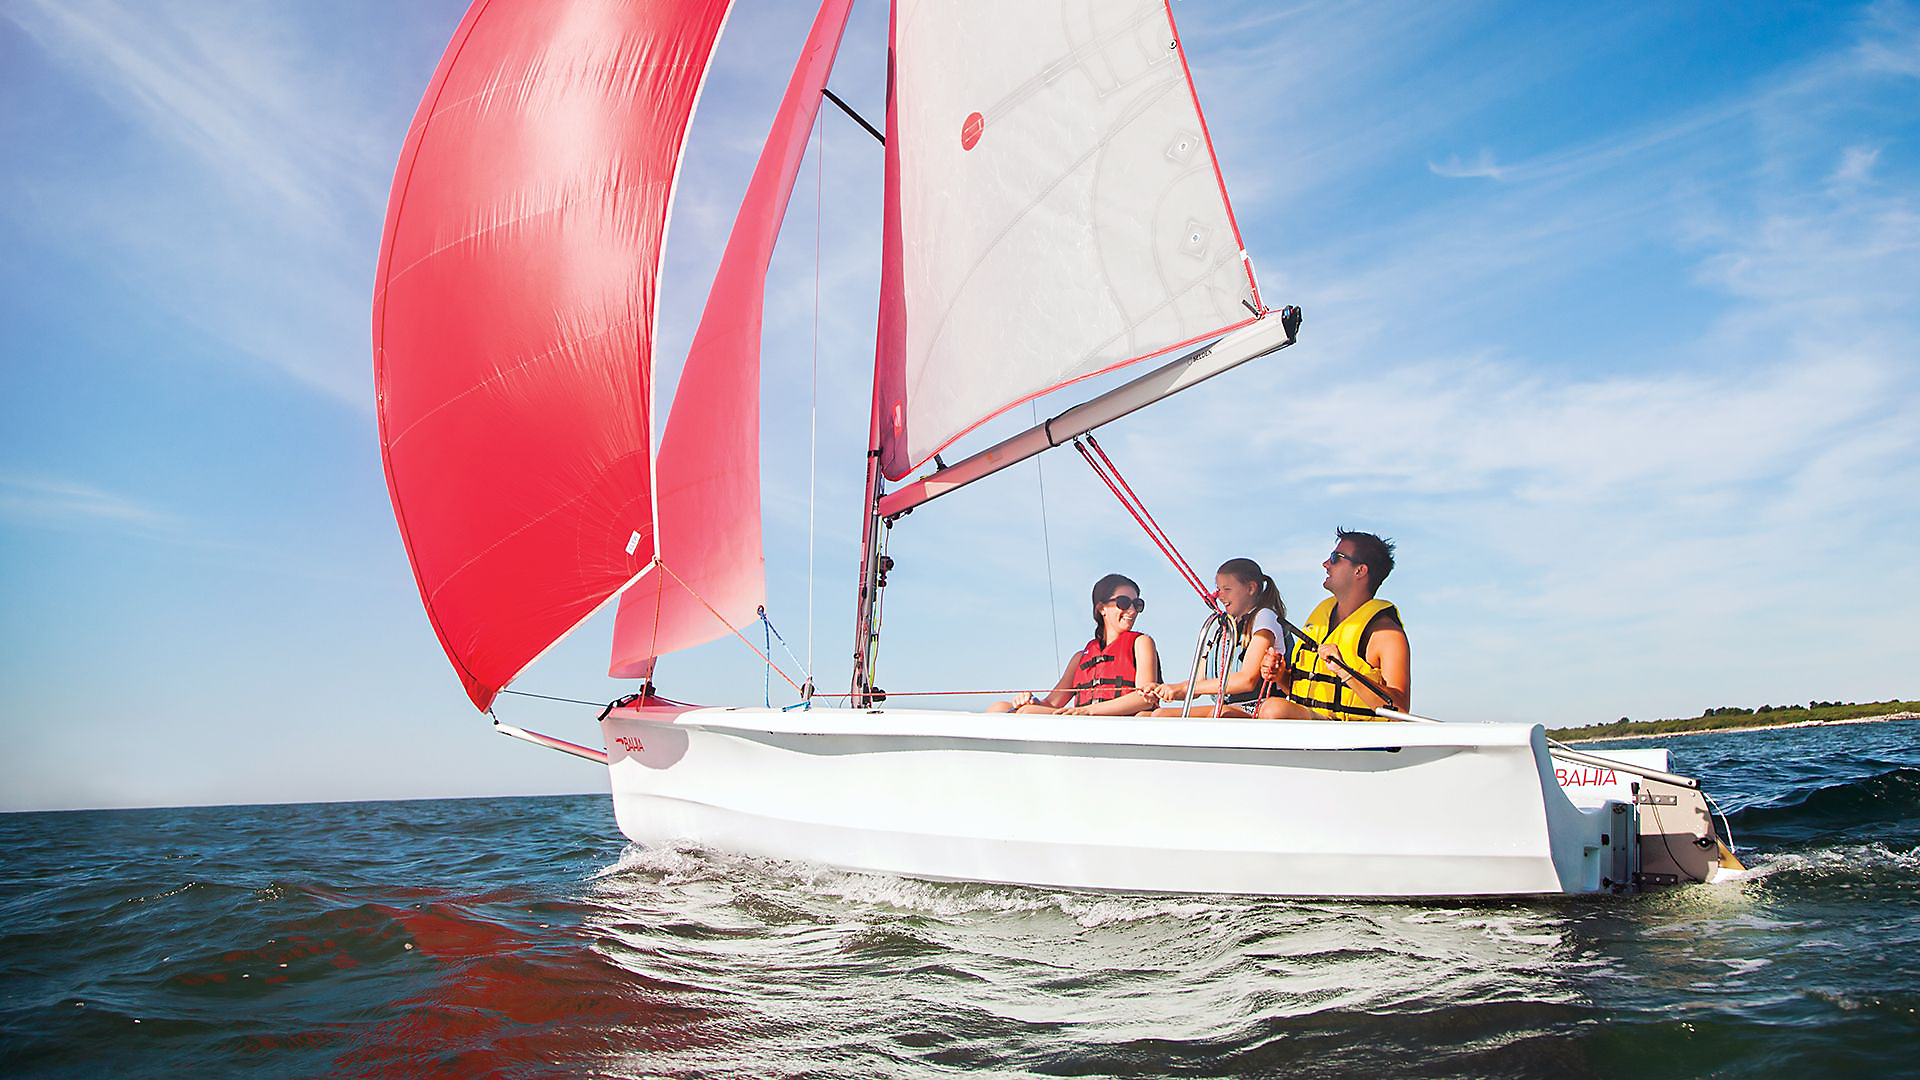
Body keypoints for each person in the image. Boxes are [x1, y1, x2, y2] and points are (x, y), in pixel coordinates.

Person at [1259, 529, 1410, 720]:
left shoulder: (1386, 634)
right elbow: (1310, 696)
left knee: (1273, 709)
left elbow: (1400, 708)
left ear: (1360, 571)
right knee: (1218, 713)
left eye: (1335, 558)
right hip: (1313, 731)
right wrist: (1281, 676)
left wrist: (1344, 671)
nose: (1326, 564)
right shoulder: (1322, 616)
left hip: (1353, 741)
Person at [989, 573, 1161, 716]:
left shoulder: (1141, 643)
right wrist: (1030, 700)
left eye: (1137, 605)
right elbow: (1051, 703)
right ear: (1102, 608)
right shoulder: (1080, 658)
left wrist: (1087, 711)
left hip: (1118, 724)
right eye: (1123, 603)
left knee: (1027, 713)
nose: (1131, 610)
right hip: (1083, 721)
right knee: (999, 708)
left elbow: (1144, 697)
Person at [1148, 558, 1284, 718]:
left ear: (1251, 588)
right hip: (1228, 708)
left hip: (1259, 707)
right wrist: (1163, 689)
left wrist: (1184, 688)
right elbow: (1198, 684)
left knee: (1218, 714)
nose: (1220, 596)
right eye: (1218, 589)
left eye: (1227, 589)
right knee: (1155, 715)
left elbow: (1247, 679)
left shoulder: (1265, 617)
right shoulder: (1222, 629)